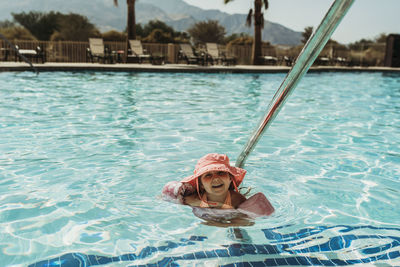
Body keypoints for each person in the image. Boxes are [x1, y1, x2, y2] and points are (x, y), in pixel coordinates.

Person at [162, 153, 274, 219]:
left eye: (221, 173)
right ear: (200, 184)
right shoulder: (194, 198)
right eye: (208, 175)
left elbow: (243, 222)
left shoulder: (236, 199)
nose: (215, 178)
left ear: (230, 178)